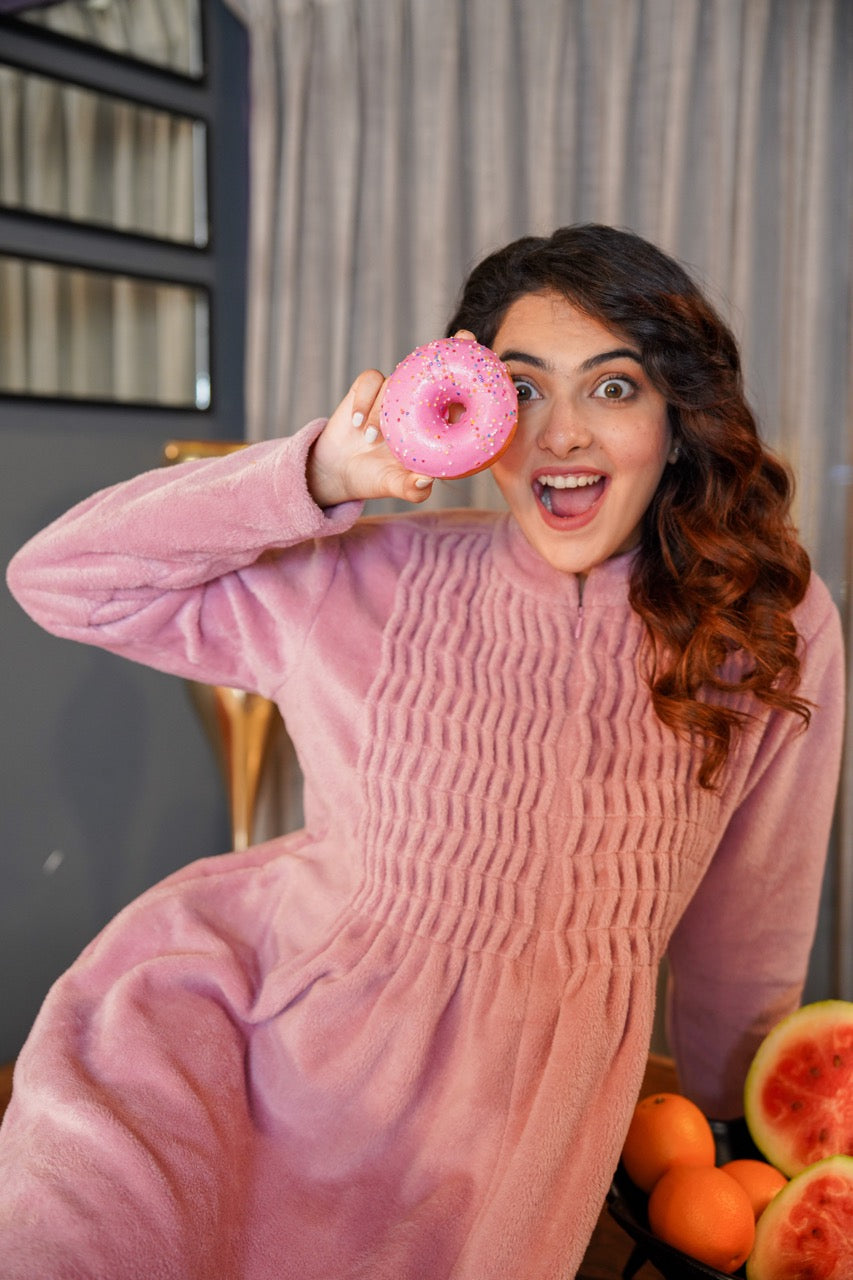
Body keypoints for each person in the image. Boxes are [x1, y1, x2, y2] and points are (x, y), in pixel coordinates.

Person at [0, 224, 845, 1280]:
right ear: (473, 419)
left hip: (506, 1131)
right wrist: (313, 473)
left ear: (677, 421)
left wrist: (733, 1148)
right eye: (522, 390)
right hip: (233, 1031)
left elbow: (747, 925)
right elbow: (59, 579)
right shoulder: (362, 570)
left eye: (613, 387)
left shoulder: (766, 624)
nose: (562, 433)